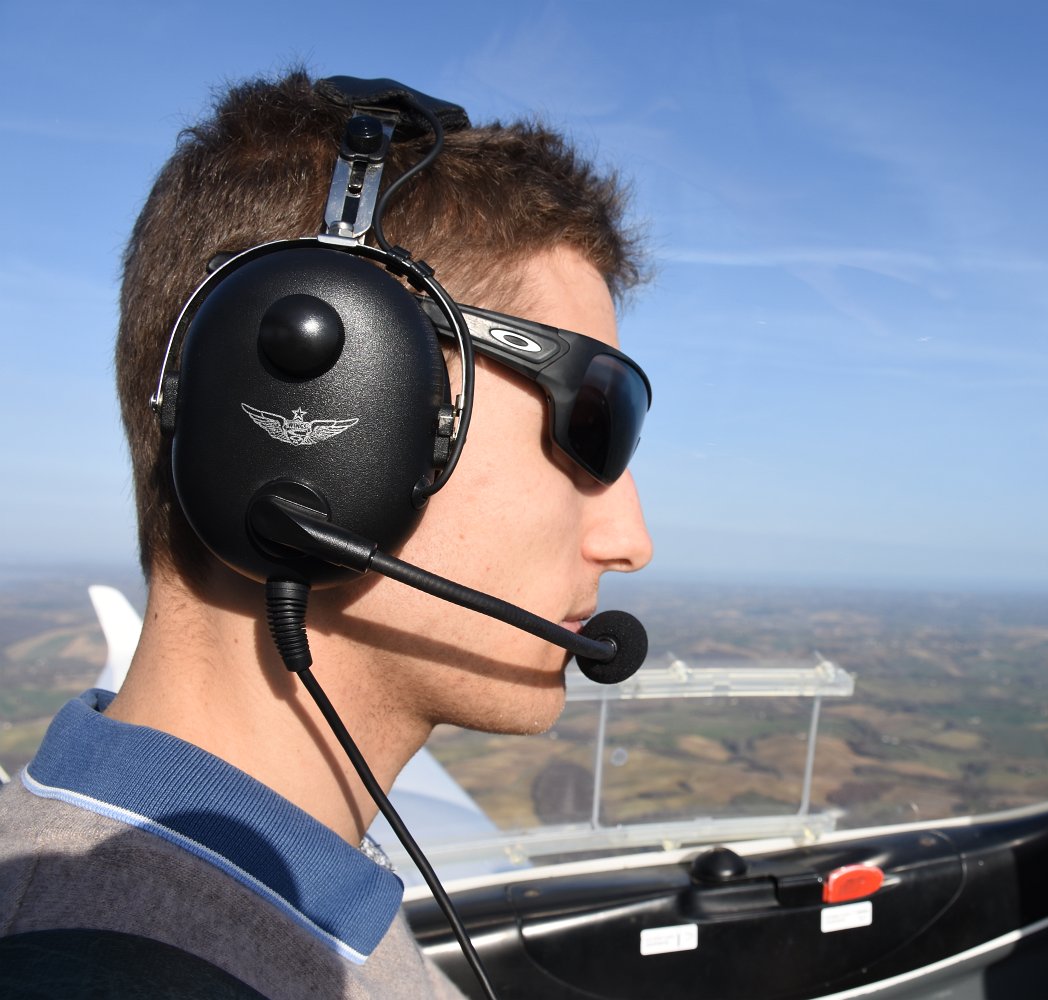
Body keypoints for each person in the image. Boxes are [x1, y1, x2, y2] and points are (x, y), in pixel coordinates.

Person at [0, 69, 653, 997]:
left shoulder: (276, 914)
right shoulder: (101, 970)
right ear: (320, 399)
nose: (630, 539)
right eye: (593, 423)